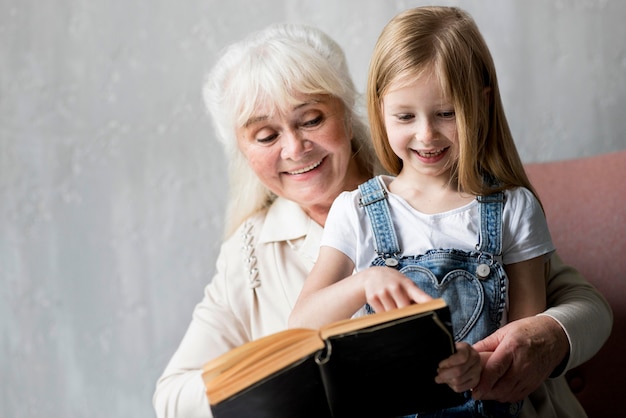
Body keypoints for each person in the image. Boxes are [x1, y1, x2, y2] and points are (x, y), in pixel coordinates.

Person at [152, 22, 612, 418]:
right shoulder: (248, 253)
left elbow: (585, 303)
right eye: (267, 135)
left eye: (311, 120)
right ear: (243, 151)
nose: (294, 149)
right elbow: (171, 397)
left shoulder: (437, 189)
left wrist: (547, 336)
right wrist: (280, 391)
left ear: (349, 114)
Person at [289, 6, 554, 417]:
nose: (426, 134)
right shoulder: (356, 210)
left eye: (446, 113)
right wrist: (365, 282)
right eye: (405, 116)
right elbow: (300, 327)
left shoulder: (514, 209)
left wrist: (478, 366)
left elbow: (524, 346)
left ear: (481, 104)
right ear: (379, 110)